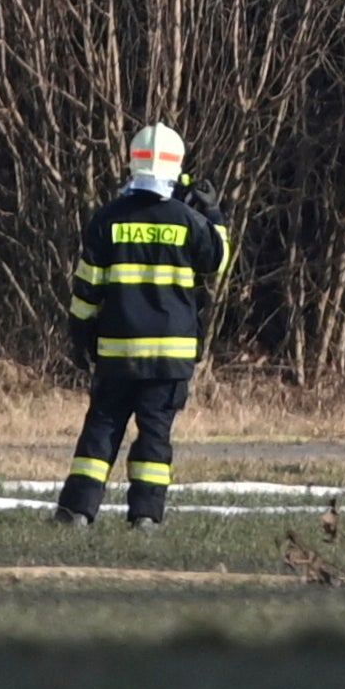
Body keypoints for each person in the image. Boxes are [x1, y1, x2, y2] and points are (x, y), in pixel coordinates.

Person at [56, 122, 229, 529]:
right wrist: (214, 213)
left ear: (133, 163)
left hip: (117, 353)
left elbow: (86, 291)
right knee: (155, 434)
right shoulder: (189, 221)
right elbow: (218, 262)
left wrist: (79, 336)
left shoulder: (107, 220)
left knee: (102, 427)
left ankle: (77, 511)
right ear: (177, 168)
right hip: (171, 358)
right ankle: (146, 518)